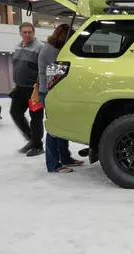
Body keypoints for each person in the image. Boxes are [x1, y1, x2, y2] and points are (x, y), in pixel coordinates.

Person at [35, 24, 84, 173]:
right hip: (50, 93)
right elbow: (62, 72)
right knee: (54, 128)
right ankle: (53, 165)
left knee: (62, 126)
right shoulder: (52, 52)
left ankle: (65, 158)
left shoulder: (53, 48)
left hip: (54, 92)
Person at [10, 22, 45, 156]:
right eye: (24, 32)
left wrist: (40, 87)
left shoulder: (40, 47)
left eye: (30, 32)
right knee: (15, 113)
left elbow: (43, 69)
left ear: (33, 33)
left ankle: (37, 146)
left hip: (34, 89)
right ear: (20, 33)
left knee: (36, 118)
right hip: (19, 88)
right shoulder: (18, 47)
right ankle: (32, 139)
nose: (27, 34)